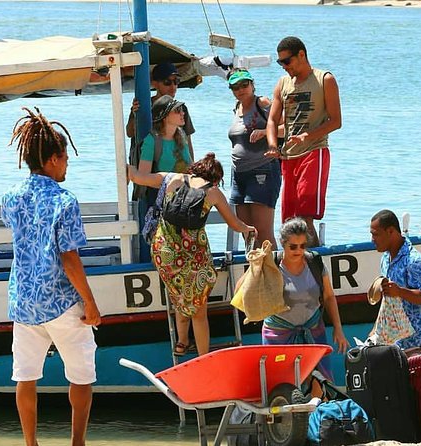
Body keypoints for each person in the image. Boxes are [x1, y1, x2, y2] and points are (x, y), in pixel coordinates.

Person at [1, 107, 101, 446]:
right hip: (59, 301)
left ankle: (31, 443)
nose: (67, 165)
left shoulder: (10, 197)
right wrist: (90, 302)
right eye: (65, 159)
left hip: (23, 301)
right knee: (82, 375)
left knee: (26, 377)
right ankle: (77, 442)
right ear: (54, 160)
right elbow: (69, 258)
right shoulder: (65, 200)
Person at [128, 153, 256, 356]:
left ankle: (182, 342)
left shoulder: (173, 178)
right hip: (192, 257)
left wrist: (129, 168)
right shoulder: (212, 192)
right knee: (198, 310)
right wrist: (249, 229)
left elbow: (137, 177)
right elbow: (235, 223)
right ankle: (203, 358)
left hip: (164, 253)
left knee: (179, 295)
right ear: (215, 179)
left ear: (194, 169)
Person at [265, 36, 342, 247]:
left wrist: (308, 136)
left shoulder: (324, 79)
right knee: (290, 224)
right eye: (280, 63)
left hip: (313, 152)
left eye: (287, 61)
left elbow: (336, 121)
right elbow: (272, 120)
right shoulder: (282, 84)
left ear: (301, 55)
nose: (284, 67)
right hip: (289, 158)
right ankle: (295, 273)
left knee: (305, 220)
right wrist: (273, 145)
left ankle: (318, 270)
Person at [257, 217, 349, 380]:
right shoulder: (271, 264)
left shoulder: (315, 262)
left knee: (321, 383)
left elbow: (328, 296)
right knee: (281, 385)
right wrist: (255, 265)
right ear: (282, 243)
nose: (299, 251)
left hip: (313, 333)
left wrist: (338, 328)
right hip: (278, 337)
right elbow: (242, 293)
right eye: (293, 247)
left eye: (303, 246)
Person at [227, 68, 282, 248]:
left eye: (245, 85)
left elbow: (287, 127)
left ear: (252, 84)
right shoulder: (236, 108)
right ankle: (256, 272)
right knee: (248, 233)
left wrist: (265, 131)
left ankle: (274, 274)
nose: (241, 89)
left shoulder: (262, 103)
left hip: (262, 169)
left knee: (263, 233)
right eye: (235, 87)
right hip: (238, 174)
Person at [369, 209, 421, 352]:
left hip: (417, 344)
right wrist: (375, 330)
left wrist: (399, 291)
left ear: (391, 231)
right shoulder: (385, 259)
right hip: (394, 342)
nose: (372, 240)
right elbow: (388, 302)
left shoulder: (415, 262)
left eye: (376, 234)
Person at [127, 62, 196, 186]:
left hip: (175, 169)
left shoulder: (181, 109)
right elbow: (130, 132)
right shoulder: (143, 105)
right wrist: (135, 113)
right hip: (146, 165)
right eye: (167, 82)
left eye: (176, 81)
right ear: (155, 84)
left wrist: (193, 170)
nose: (173, 86)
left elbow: (188, 143)